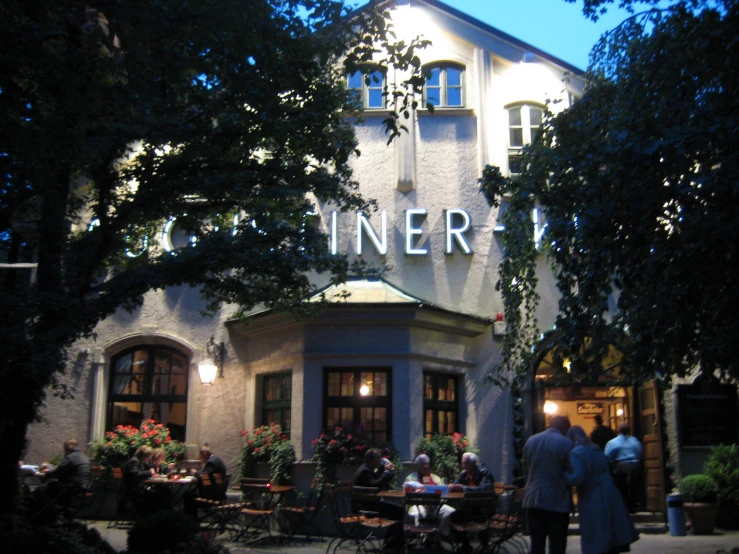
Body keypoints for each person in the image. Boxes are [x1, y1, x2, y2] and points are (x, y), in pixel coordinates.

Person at [565, 426, 639, 554]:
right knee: (611, 528)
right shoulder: (597, 450)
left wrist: (563, 475)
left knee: (596, 532)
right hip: (610, 493)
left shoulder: (576, 453)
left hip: (592, 497)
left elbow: (578, 477)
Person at [523, 415, 573, 554]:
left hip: (533, 499)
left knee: (537, 543)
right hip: (557, 501)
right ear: (564, 427)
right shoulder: (566, 443)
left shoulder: (531, 440)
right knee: (557, 544)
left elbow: (525, 468)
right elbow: (571, 471)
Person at [352, 448, 404, 549]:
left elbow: (378, 481)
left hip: (369, 504)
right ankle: (394, 544)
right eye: (378, 457)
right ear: (370, 459)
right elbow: (375, 484)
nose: (380, 460)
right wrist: (386, 472)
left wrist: (385, 471)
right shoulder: (365, 471)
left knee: (398, 510)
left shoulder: (368, 469)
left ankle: (393, 543)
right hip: (366, 508)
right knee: (399, 510)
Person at [404, 454, 455, 535]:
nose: (425, 466)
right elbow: (407, 495)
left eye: (426, 463)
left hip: (435, 506)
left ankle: (442, 534)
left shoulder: (436, 478)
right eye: (422, 464)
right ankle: (423, 537)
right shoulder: (410, 478)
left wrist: (435, 502)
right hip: (419, 505)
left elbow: (443, 495)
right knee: (416, 514)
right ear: (417, 465)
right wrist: (418, 495)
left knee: (451, 512)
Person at [38, 439, 91, 510]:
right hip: (83, 487)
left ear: (66, 449)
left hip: (71, 488)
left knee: (42, 488)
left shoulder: (70, 457)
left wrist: (46, 472)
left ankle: (47, 512)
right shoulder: (84, 457)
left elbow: (57, 472)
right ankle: (62, 513)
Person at [605, 424, 643, 513]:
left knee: (622, 487)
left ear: (618, 430)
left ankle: (623, 506)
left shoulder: (613, 442)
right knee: (633, 486)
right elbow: (640, 451)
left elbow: (607, 457)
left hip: (621, 465)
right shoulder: (634, 441)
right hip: (635, 464)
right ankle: (633, 505)